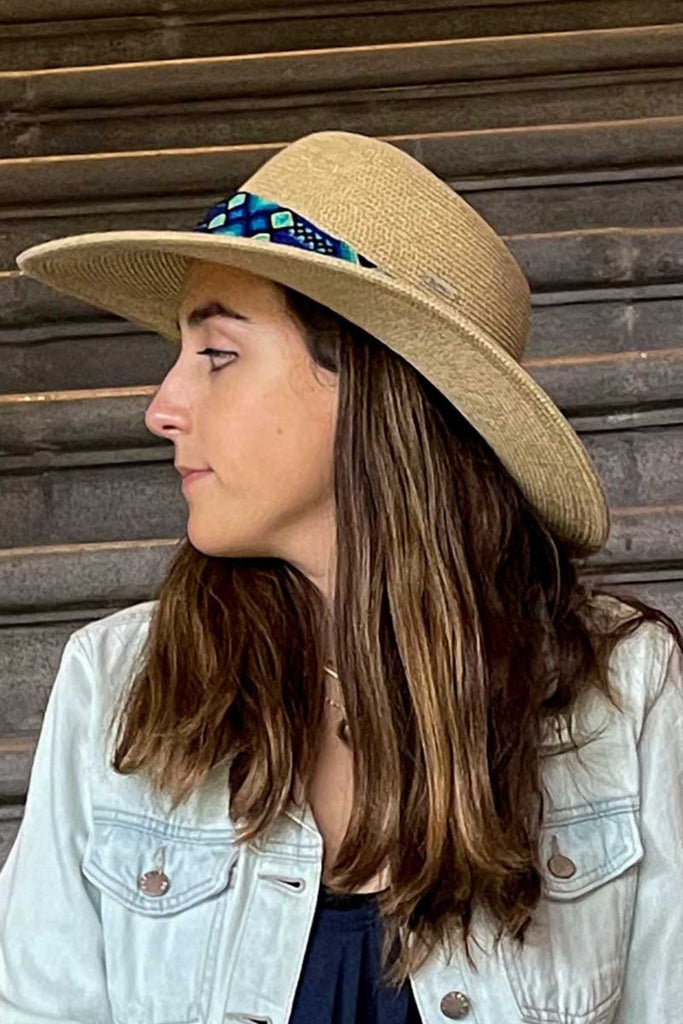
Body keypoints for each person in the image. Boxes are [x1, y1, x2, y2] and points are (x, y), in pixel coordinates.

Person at [1, 129, 681, 1024]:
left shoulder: (623, 690)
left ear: (370, 381)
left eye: (217, 355)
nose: (161, 408)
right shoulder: (119, 683)